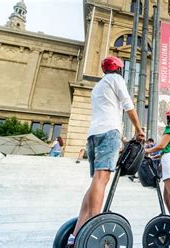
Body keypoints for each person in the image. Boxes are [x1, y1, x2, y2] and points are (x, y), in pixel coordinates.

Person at [67, 56, 145, 247]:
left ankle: (76, 233)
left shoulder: (98, 86)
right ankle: (95, 222)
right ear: (119, 69)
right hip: (109, 132)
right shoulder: (116, 80)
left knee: (96, 181)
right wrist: (138, 129)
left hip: (94, 135)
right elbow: (129, 106)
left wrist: (122, 139)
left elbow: (107, 111)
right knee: (102, 180)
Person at [145, 107, 170, 221]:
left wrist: (146, 151)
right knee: (167, 197)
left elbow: (161, 146)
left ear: (169, 117)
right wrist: (155, 156)